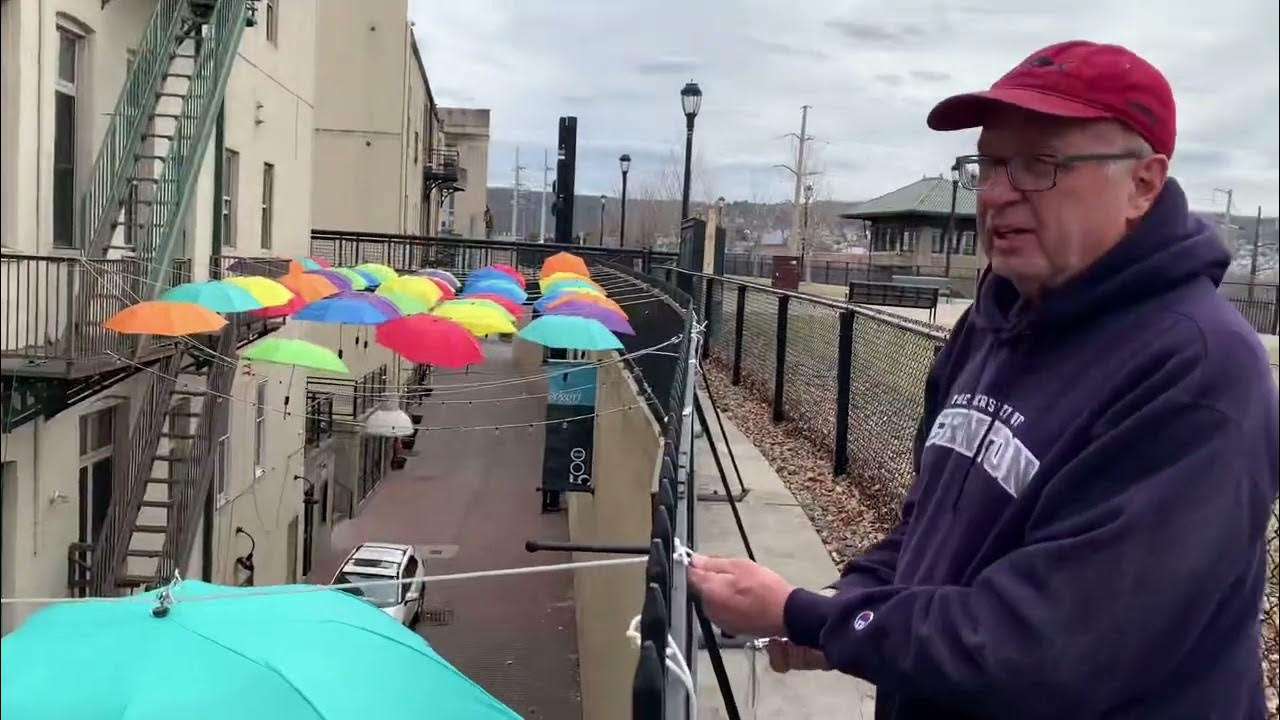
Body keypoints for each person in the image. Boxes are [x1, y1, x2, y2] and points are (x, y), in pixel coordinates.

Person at [688, 40, 1279, 719]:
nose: (998, 193)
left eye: (1039, 164)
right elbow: (929, 528)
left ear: (1142, 183)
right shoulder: (992, 322)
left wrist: (821, 620)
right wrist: (843, 611)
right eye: (991, 163)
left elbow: (1052, 647)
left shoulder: (1197, 370)